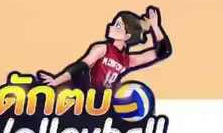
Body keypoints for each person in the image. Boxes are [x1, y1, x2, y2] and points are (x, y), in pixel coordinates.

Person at [38, 7, 172, 91]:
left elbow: (162, 53)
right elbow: (80, 67)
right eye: (114, 23)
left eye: (117, 25)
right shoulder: (102, 49)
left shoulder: (128, 60)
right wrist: (57, 80)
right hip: (85, 95)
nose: (110, 26)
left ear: (126, 36)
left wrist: (156, 27)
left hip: (105, 101)